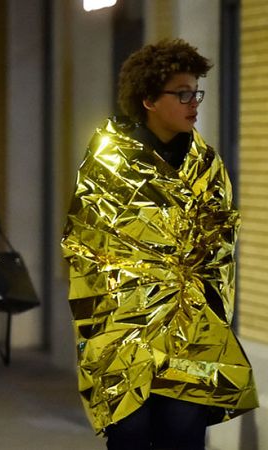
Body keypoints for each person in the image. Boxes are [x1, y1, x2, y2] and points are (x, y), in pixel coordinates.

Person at [61, 39, 258, 450]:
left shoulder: (207, 163)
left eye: (196, 92)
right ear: (149, 99)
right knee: (130, 433)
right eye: (182, 93)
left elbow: (221, 246)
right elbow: (84, 247)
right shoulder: (108, 160)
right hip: (123, 328)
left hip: (190, 325)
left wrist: (210, 307)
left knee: (184, 432)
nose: (193, 103)